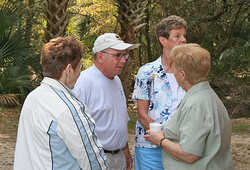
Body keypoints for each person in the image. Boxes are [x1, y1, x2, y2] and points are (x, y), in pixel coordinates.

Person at [14, 37, 108, 170]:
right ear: (69, 70)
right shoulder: (69, 108)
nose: (80, 73)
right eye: (80, 67)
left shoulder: (32, 97)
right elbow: (94, 162)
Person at [145, 43, 235, 170]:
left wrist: (160, 140)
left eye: (173, 67)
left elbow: (189, 154)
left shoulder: (196, 104)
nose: (172, 72)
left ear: (182, 75)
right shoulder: (207, 96)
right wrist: (166, 135)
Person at [73, 33, 138, 170]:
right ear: (100, 56)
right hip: (96, 159)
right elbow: (74, 126)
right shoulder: (84, 82)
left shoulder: (116, 80)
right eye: (118, 55)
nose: (123, 60)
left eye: (124, 55)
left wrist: (125, 150)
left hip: (118, 156)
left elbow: (118, 119)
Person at [132, 15, 187, 169]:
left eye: (184, 36)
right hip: (150, 150)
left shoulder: (188, 71)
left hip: (181, 148)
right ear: (163, 40)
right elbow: (142, 115)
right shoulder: (147, 72)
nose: (183, 40)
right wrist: (163, 138)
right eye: (177, 36)